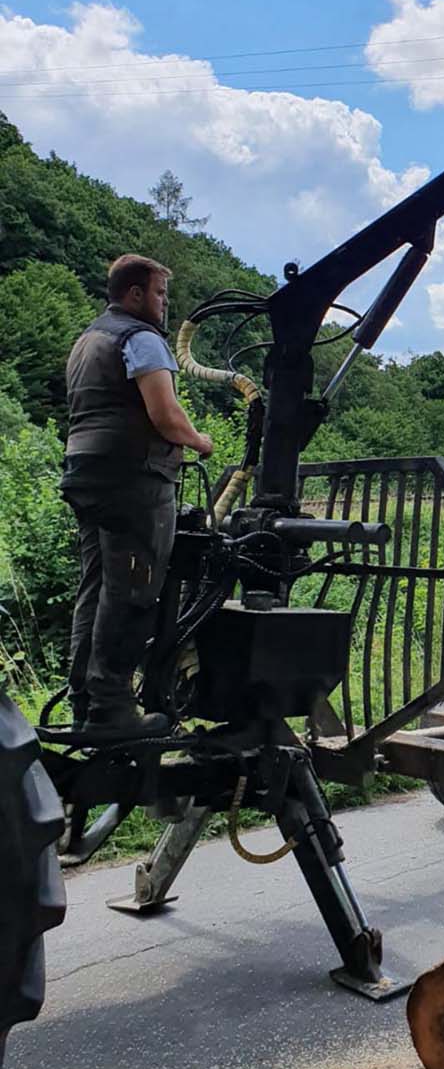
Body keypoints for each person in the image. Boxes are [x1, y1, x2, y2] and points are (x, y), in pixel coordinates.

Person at [62, 254, 213, 739]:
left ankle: (84, 701)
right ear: (134, 294)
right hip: (133, 476)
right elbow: (165, 414)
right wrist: (200, 441)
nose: (165, 304)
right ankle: (113, 708)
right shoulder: (141, 339)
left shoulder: (89, 340)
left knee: (97, 588)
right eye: (160, 293)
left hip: (86, 471)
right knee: (134, 589)